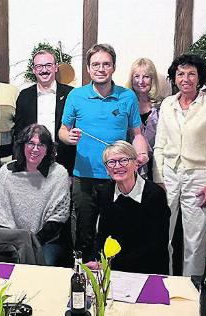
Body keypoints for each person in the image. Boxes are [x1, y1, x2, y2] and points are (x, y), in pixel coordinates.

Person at [58, 44, 148, 259]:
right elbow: (63, 130)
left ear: (113, 67)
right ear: (88, 69)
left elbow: (137, 134)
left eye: (106, 64)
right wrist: (68, 138)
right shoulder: (76, 96)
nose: (101, 69)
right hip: (85, 177)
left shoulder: (127, 97)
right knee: (84, 234)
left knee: (117, 235)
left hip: (119, 177)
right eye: (95, 64)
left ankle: (116, 281)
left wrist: (142, 153)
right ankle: (82, 279)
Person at [153, 54, 206, 276]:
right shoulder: (167, 104)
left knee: (195, 238)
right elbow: (159, 145)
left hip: (198, 176)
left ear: (200, 77)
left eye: (191, 74)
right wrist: (159, 180)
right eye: (181, 74)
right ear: (174, 77)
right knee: (162, 232)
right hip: (169, 174)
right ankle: (164, 279)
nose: (186, 79)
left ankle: (192, 285)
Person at [83, 141, 170, 274]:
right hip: (112, 267)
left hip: (148, 268)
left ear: (136, 164)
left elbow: (156, 244)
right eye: (111, 162)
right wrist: (96, 259)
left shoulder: (155, 194)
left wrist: (112, 264)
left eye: (124, 160)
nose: (117, 166)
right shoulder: (105, 193)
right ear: (106, 169)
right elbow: (103, 236)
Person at [0, 124, 70, 266]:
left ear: (48, 149)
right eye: (31, 143)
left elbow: (57, 218)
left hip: (46, 241)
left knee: (42, 264)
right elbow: (0, 215)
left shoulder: (59, 174)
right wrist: (17, 243)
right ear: (22, 145)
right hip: (11, 239)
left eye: (41, 145)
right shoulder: (6, 172)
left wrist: (32, 243)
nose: (35, 149)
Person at [13, 49, 75, 174]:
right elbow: (19, 133)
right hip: (32, 161)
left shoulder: (71, 94)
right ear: (34, 70)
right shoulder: (24, 95)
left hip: (64, 160)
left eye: (48, 65)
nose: (44, 70)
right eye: (39, 66)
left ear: (56, 67)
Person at [125, 57, 163, 179]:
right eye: (136, 76)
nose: (141, 81)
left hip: (156, 165)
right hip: (128, 164)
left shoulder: (162, 105)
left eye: (146, 77)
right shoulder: (124, 103)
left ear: (153, 79)